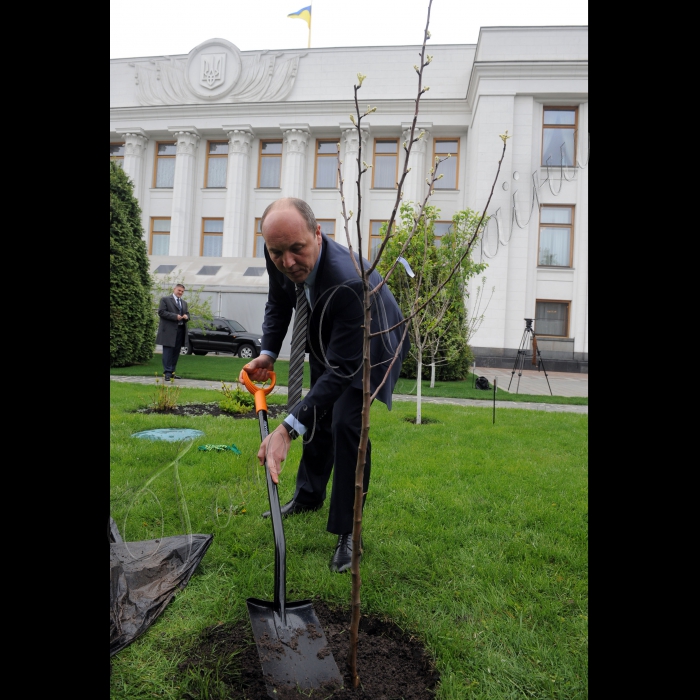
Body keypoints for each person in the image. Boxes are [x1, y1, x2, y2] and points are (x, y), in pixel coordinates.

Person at [242, 197, 409, 573]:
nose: (287, 262)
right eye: (277, 252)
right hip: (327, 333)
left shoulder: (349, 280)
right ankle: (309, 495)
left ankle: (348, 531)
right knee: (316, 415)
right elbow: (279, 301)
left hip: (371, 341)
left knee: (346, 423)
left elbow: (344, 370)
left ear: (317, 234)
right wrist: (268, 352)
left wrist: (285, 430)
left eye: (297, 249)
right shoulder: (279, 253)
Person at [156, 283, 189, 380]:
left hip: (180, 330)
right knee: (168, 353)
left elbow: (187, 313)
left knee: (175, 352)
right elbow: (161, 312)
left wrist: (187, 317)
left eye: (182, 291)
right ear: (174, 289)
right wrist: (175, 316)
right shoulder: (165, 299)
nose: (180, 293)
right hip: (168, 331)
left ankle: (172, 372)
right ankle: (167, 373)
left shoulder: (184, 303)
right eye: (179, 290)